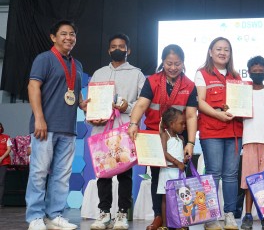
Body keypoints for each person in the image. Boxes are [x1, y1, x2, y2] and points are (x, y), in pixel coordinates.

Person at [26, 20, 88, 230]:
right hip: (45, 126)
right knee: (39, 172)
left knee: (62, 175)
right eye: (64, 34)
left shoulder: (77, 65)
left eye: (72, 34)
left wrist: (83, 104)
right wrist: (39, 118)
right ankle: (35, 216)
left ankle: (53, 216)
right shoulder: (44, 59)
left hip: (68, 129)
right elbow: (33, 86)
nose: (69, 37)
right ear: (53, 37)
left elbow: (74, 93)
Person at [127, 44, 197, 230]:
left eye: (177, 64)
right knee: (157, 178)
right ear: (162, 62)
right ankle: (159, 216)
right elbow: (141, 105)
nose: (173, 68)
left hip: (179, 138)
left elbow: (190, 116)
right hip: (154, 136)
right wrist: (134, 123)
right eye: (169, 63)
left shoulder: (189, 85)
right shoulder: (152, 82)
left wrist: (190, 142)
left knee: (181, 177)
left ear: (183, 63)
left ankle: (182, 217)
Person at [88, 33, 146, 230]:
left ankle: (122, 213)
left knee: (124, 174)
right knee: (103, 174)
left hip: (124, 129)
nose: (117, 49)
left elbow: (143, 101)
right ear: (108, 50)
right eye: (113, 46)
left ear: (128, 50)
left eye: (121, 46)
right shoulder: (98, 74)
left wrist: (127, 107)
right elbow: (91, 101)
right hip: (101, 128)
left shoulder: (137, 74)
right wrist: (91, 112)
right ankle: (104, 213)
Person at [195, 37, 242, 230]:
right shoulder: (202, 73)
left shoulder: (236, 76)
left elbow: (241, 103)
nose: (222, 53)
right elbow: (200, 101)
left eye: (226, 50)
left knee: (231, 175)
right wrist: (218, 114)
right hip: (212, 130)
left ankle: (229, 215)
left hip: (233, 132)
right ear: (210, 52)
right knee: (213, 174)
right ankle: (211, 217)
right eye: (218, 49)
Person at [239, 56, 264, 230]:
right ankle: (248, 215)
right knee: (249, 181)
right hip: (248, 141)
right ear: (248, 72)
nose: (257, 72)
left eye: (260, 70)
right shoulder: (243, 92)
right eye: (254, 70)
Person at [157, 107, 188, 230]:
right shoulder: (165, 135)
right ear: (171, 124)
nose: (184, 126)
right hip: (167, 171)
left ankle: (181, 223)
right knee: (166, 199)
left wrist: (184, 160)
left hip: (179, 172)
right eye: (181, 123)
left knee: (181, 198)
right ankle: (165, 224)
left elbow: (181, 154)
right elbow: (164, 152)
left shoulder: (181, 138)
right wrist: (177, 162)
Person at [0, 123, 12, 208]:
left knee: (1, 182)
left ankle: (0, 202)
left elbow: (9, 149)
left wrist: (1, 158)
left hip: (4, 162)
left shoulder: (6, 137)